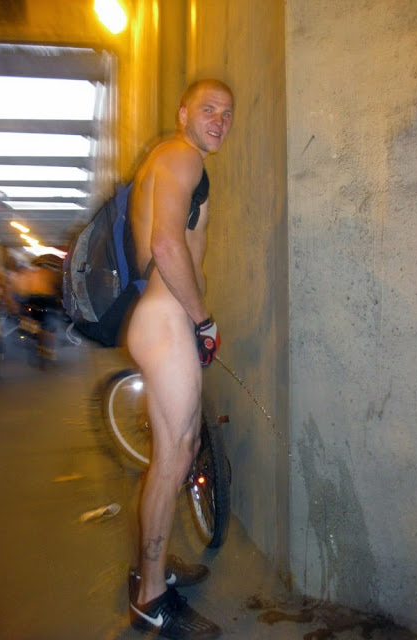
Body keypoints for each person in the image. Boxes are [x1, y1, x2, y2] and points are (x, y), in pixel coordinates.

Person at [124, 78, 234, 639]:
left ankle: (152, 566)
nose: (219, 119)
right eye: (208, 108)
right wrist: (203, 319)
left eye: (227, 113)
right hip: (167, 320)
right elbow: (166, 245)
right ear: (182, 112)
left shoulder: (170, 160)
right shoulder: (181, 155)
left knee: (180, 451)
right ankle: (150, 597)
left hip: (165, 320)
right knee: (172, 459)